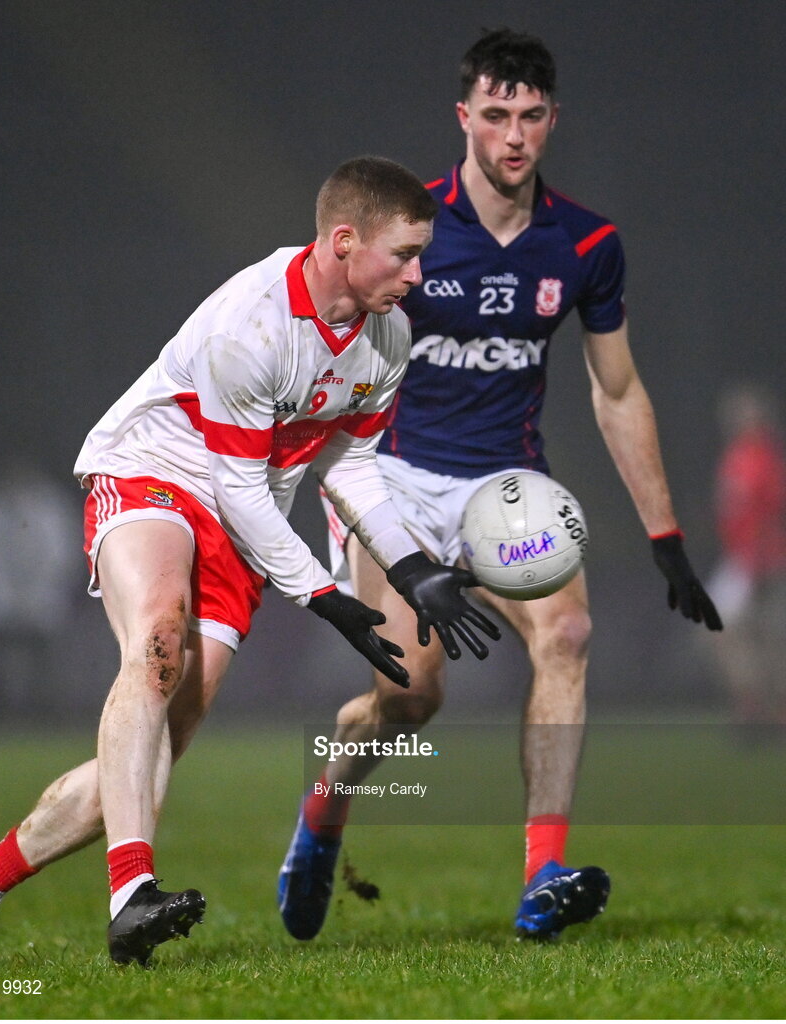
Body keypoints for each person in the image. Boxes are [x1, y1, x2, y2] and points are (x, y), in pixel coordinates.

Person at [0, 156, 501, 968]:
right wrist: (321, 595)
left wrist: (412, 568)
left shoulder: (389, 336)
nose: (418, 273)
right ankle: (131, 894)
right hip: (155, 472)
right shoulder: (255, 324)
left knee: (150, 750)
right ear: (344, 241)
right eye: (404, 255)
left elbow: (349, 463)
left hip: (243, 519)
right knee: (156, 640)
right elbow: (235, 485)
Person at [278, 29, 722, 944]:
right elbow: (323, 353)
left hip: (509, 487)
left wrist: (666, 535)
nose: (512, 135)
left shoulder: (585, 243)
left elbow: (618, 388)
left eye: (529, 117)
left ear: (552, 119)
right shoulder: (413, 229)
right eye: (494, 115)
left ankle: (542, 873)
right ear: (464, 119)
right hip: (393, 477)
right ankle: (323, 810)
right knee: (409, 700)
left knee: (568, 632)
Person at [708, 382, 786, 734]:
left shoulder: (764, 458)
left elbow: (771, 512)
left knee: (761, 634)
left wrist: (761, 555)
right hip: (741, 557)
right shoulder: (738, 456)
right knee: (738, 633)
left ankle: (760, 708)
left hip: (759, 559)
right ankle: (755, 706)